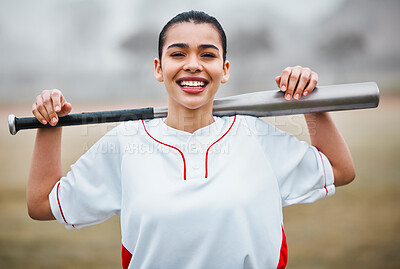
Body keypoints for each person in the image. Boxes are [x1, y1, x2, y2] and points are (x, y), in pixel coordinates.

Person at [27, 10, 355, 269]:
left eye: (207, 55)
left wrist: (311, 102)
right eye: (178, 54)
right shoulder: (127, 142)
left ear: (225, 70)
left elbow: (340, 170)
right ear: (159, 67)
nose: (193, 65)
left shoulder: (254, 135)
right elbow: (43, 204)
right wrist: (49, 124)